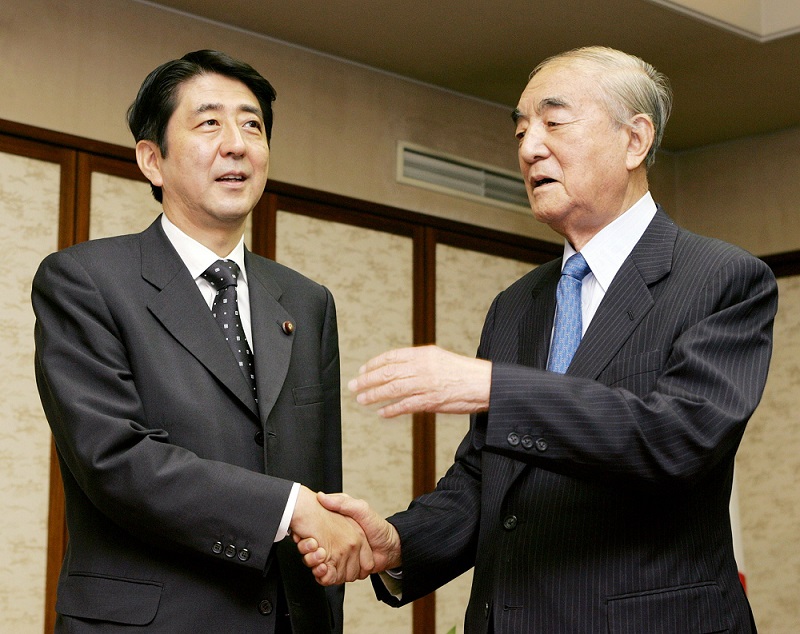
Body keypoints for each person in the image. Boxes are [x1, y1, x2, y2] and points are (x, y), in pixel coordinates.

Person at [297, 46, 777, 632]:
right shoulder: (516, 306)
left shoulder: (721, 279)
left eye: (553, 122)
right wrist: (397, 543)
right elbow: (487, 479)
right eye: (521, 129)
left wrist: (495, 386)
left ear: (635, 140)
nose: (529, 148)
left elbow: (678, 440)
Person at [33, 50, 373, 633]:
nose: (237, 143)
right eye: (209, 122)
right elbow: (113, 459)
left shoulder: (306, 302)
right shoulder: (86, 280)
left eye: (252, 125)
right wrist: (289, 507)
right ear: (151, 160)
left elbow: (321, 477)